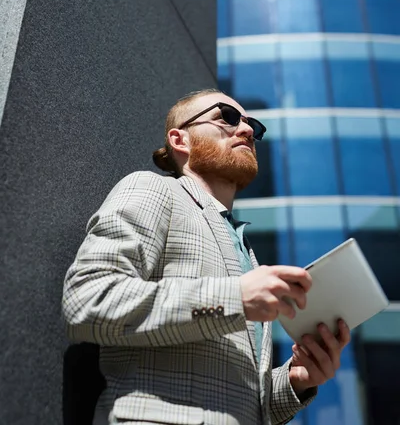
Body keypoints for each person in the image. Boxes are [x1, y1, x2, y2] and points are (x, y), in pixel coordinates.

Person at [62, 88, 350, 425]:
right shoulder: (154, 189)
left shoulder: (247, 253)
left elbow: (233, 402)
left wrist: (296, 380)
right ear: (179, 139)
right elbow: (86, 300)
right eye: (226, 117)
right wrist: (235, 298)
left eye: (252, 125)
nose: (246, 131)